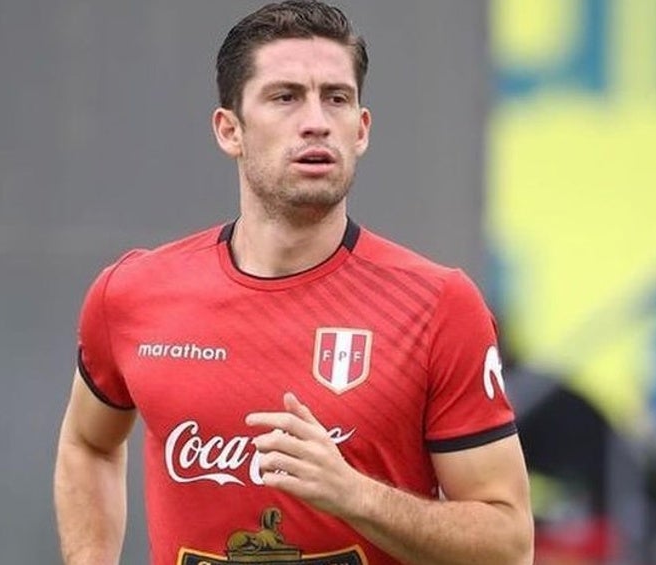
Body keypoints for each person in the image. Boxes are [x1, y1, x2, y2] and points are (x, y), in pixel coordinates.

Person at [53, 2, 534, 563]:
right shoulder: (132, 294)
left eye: (336, 97)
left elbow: (509, 546)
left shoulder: (439, 306)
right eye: (285, 97)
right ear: (229, 130)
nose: (316, 120)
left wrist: (354, 495)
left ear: (361, 129)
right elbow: (88, 444)